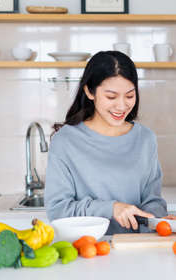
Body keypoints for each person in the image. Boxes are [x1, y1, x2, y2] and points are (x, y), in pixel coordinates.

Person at [44, 51, 168, 234]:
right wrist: (111, 208)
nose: (121, 106)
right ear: (89, 91)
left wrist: (158, 222)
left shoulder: (145, 139)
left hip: (136, 251)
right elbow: (58, 211)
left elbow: (153, 202)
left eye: (129, 96)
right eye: (111, 97)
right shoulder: (65, 141)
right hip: (87, 250)